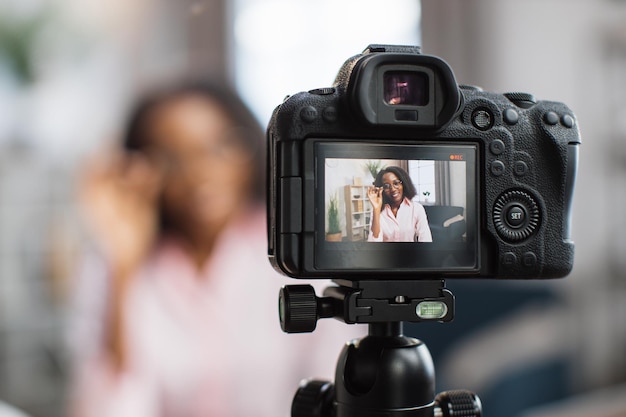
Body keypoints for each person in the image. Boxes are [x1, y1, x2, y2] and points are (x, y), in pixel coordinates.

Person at [67, 81, 363, 417]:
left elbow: (340, 388)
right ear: (141, 170)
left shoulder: (301, 251)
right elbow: (106, 406)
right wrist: (123, 262)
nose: (199, 172)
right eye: (169, 157)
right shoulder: (117, 261)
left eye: (220, 146)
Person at [367, 166, 432, 242]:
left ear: (403, 184)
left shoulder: (417, 209)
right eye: (386, 186)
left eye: (396, 183)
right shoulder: (376, 211)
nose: (393, 189)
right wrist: (376, 209)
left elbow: (426, 239)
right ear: (382, 189)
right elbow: (374, 242)